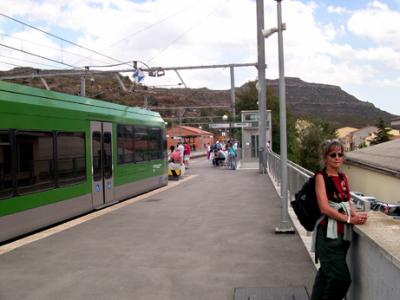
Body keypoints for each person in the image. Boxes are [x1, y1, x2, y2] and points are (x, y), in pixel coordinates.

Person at [310, 139, 368, 300]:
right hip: (327, 236)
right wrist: (350, 219)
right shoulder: (321, 177)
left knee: (325, 275)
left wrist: (356, 215)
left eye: (340, 154)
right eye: (333, 154)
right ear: (325, 157)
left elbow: (346, 201)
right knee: (340, 280)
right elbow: (325, 208)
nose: (337, 158)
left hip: (343, 237)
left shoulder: (343, 178)